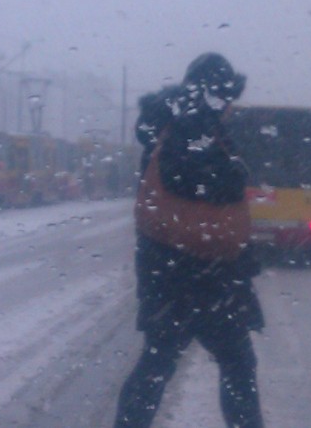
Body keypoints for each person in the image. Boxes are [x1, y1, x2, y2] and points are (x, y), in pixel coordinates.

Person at [114, 53, 265, 428]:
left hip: (166, 273)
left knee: (156, 366)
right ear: (215, 92)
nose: (229, 105)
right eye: (226, 96)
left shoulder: (167, 124)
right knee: (236, 368)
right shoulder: (195, 126)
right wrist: (234, 170)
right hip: (202, 277)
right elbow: (209, 189)